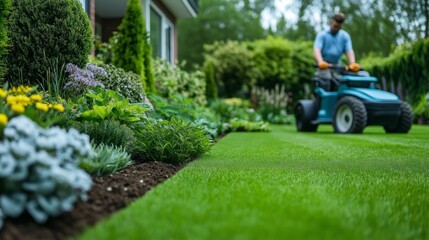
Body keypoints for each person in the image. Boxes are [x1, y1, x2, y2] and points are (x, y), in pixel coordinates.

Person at [313, 12, 360, 81]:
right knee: (326, 78)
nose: (336, 28)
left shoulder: (345, 36)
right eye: (335, 26)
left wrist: (352, 63)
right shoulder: (322, 35)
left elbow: (349, 51)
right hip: (324, 66)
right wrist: (320, 62)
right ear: (331, 22)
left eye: (339, 27)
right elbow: (316, 50)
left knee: (350, 78)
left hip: (337, 66)